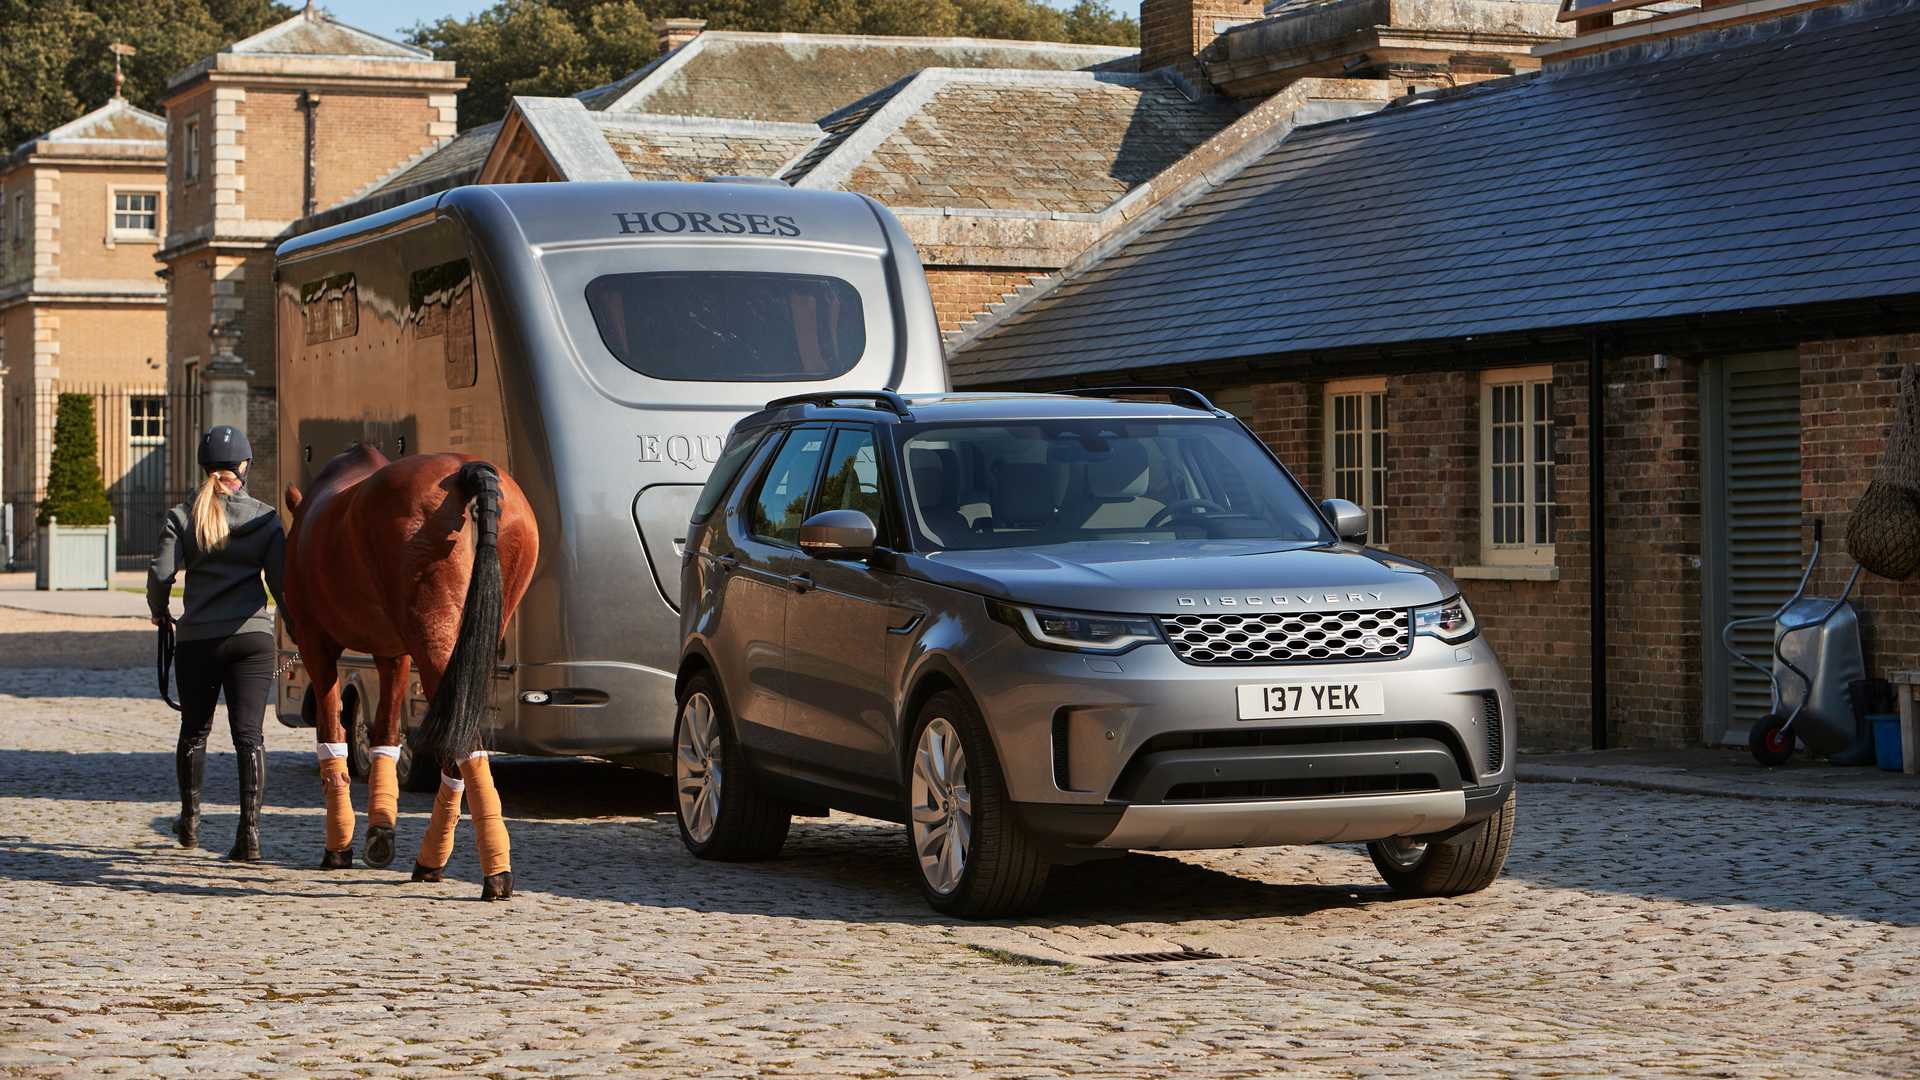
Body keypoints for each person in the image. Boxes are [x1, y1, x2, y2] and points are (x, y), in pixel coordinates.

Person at [149, 426, 288, 860]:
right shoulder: (266, 518)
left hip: (198, 640)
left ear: (203, 465)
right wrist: (295, 629)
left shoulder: (183, 514)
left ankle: (189, 821)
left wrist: (159, 612)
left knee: (194, 731)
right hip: (252, 639)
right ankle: (249, 835)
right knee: (250, 737)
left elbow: (159, 576)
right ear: (244, 466)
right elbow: (282, 587)